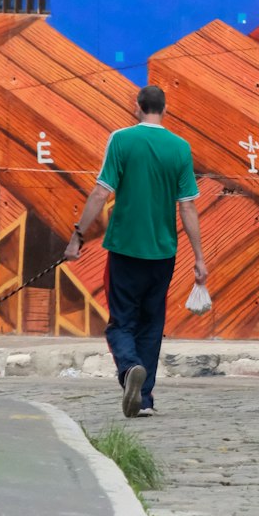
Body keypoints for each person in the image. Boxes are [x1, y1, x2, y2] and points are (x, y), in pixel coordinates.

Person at [64, 84, 208, 418]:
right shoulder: (180, 148)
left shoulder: (121, 140)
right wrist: (200, 258)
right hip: (163, 253)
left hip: (125, 249)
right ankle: (143, 399)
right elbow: (187, 207)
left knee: (120, 323)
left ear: (137, 106)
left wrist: (77, 237)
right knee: (151, 325)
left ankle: (129, 369)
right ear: (165, 109)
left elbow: (101, 193)